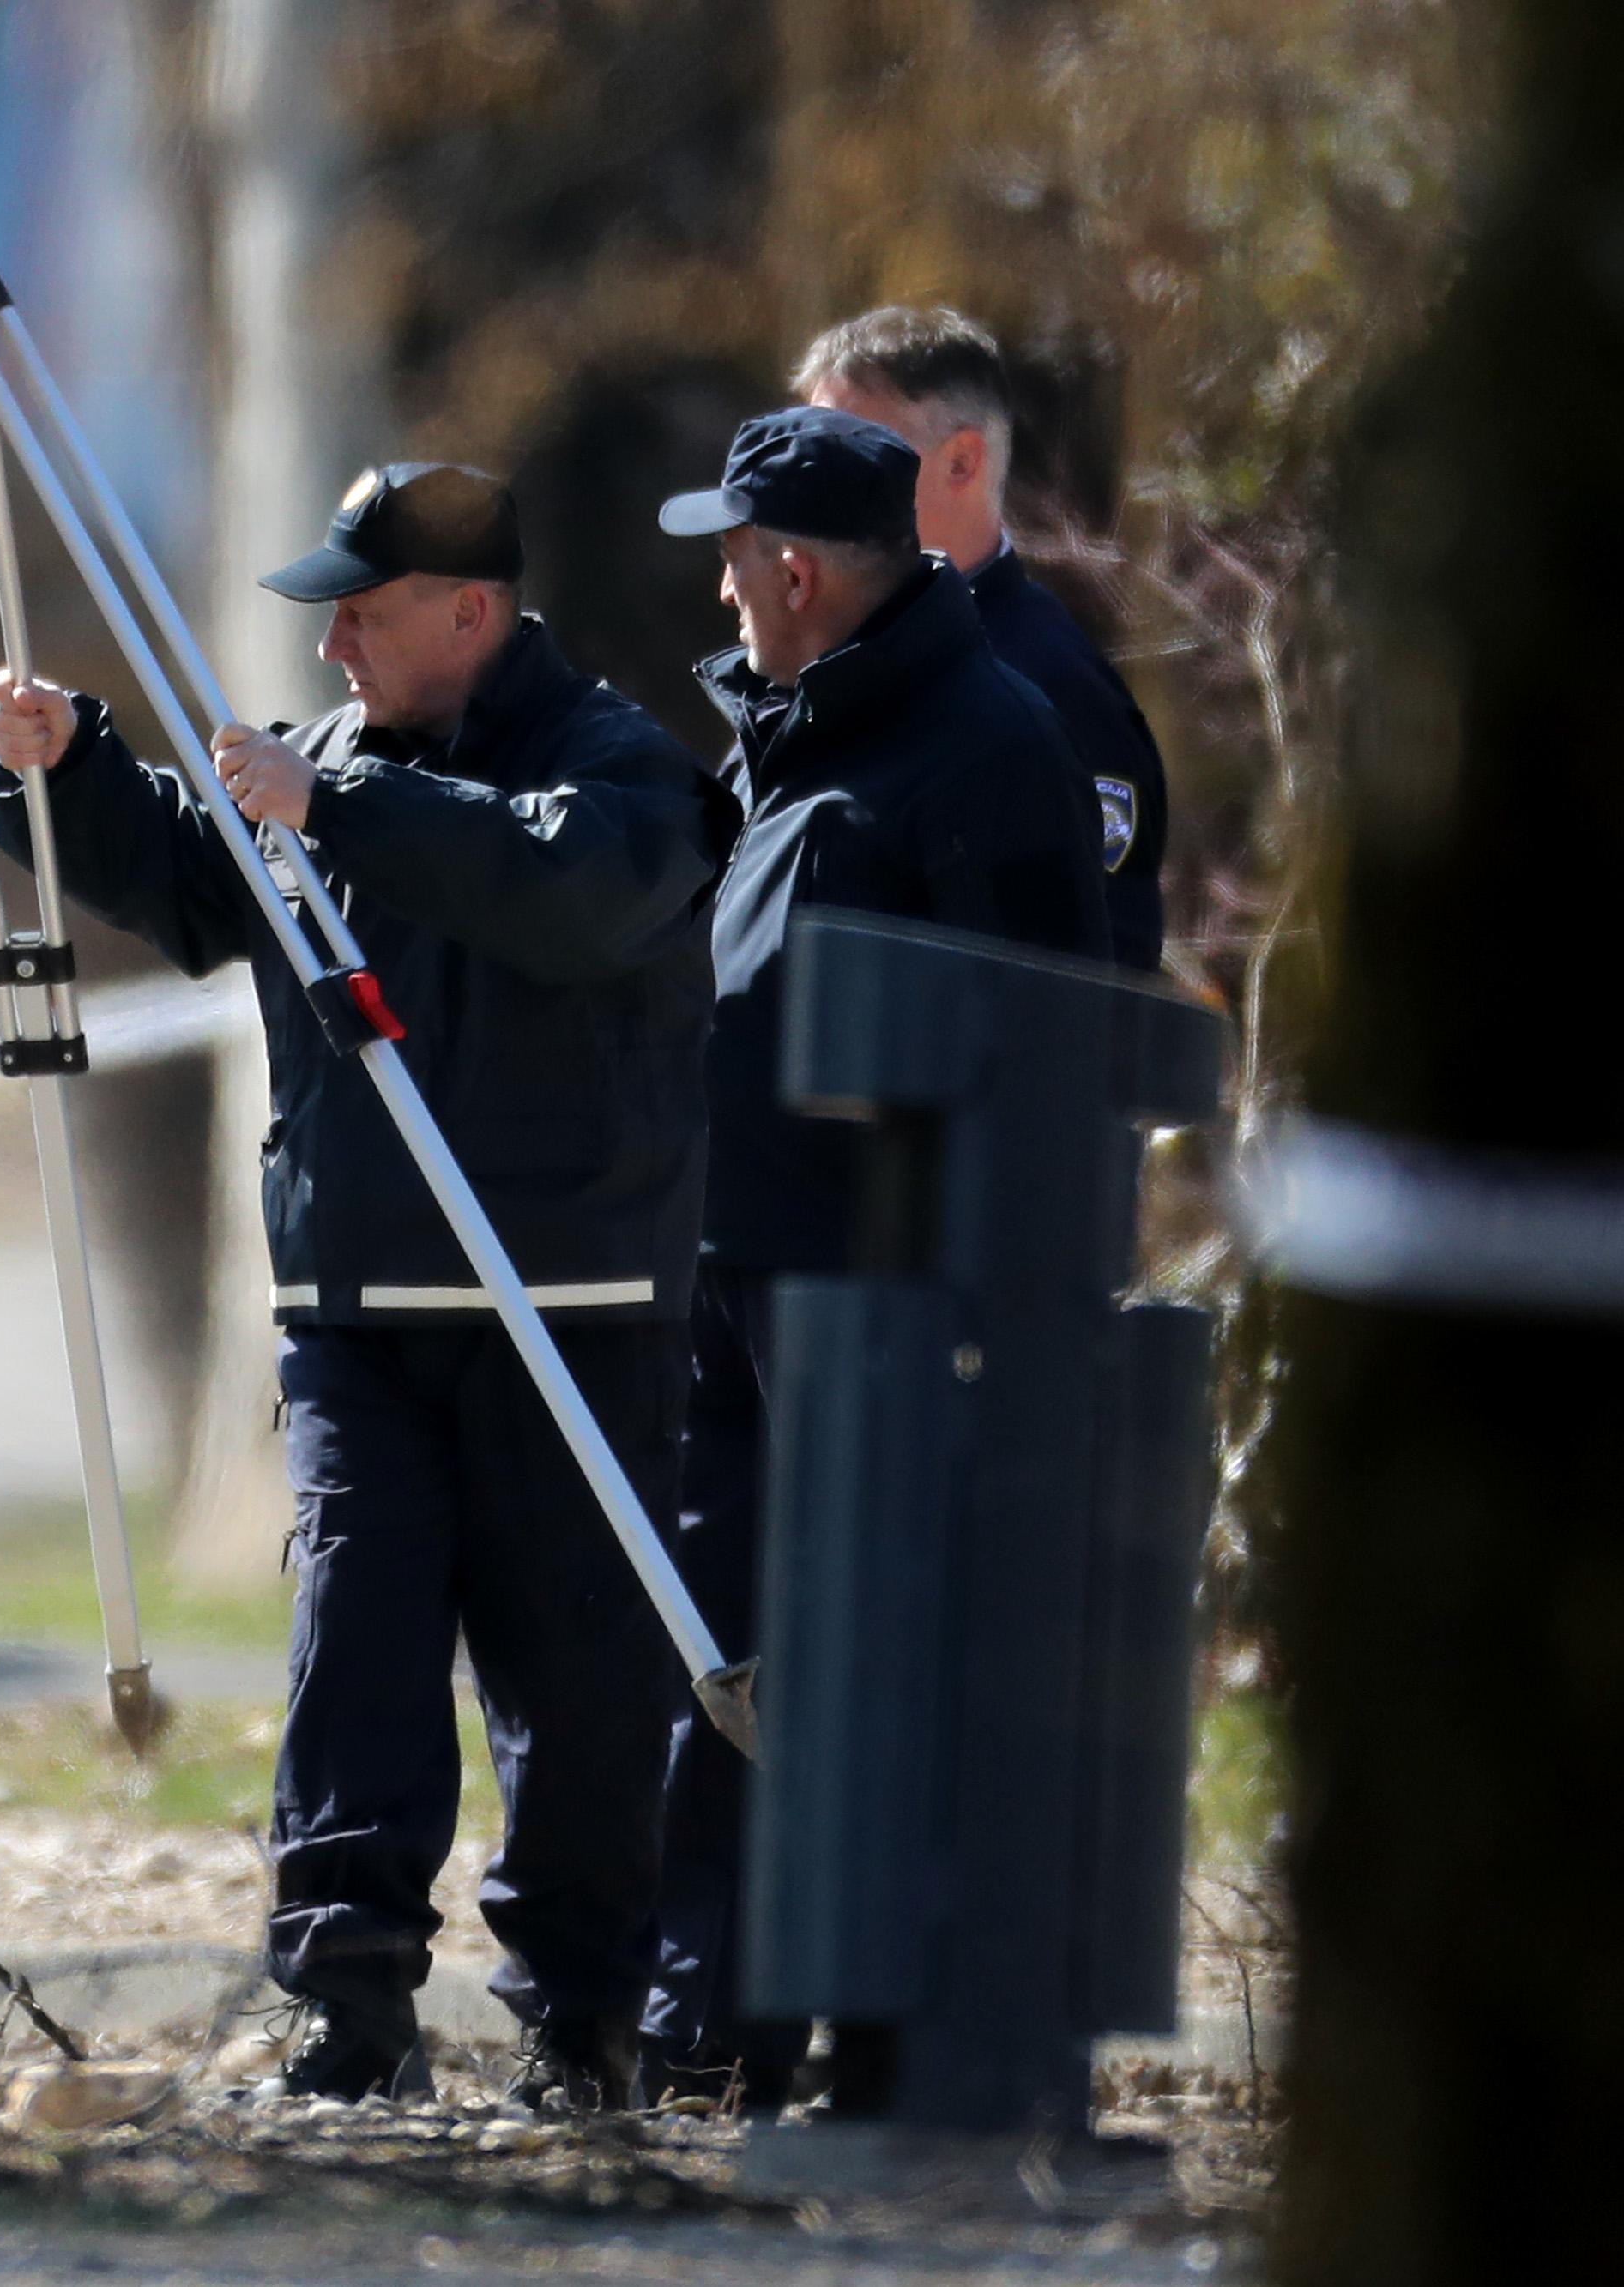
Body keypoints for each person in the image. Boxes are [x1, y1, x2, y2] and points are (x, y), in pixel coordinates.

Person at [0, 462, 731, 2109]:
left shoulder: (625, 772)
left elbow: (568, 890)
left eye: (366, 616)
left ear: (474, 612)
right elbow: (188, 882)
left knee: (585, 1697)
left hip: (576, 1319)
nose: (332, 655)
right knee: (356, 1655)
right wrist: (66, 771)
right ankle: (349, 2010)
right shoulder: (318, 775)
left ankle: (584, 2024)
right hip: (363, 1326)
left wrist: (338, 814)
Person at [643, 407, 1113, 2107]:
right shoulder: (783, 722)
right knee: (720, 1648)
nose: (712, 580)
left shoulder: (979, 740)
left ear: (791, 570)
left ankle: (889, 2036)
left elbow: (1040, 1038)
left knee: (871, 1661)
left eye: (730, 552)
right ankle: (710, 2022)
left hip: (886, 1289)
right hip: (736, 1267)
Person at [794, 307, 1170, 973]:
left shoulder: (1052, 691)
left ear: (962, 462)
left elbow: (1096, 991)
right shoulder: (813, 662)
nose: (815, 487)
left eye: (849, 452)